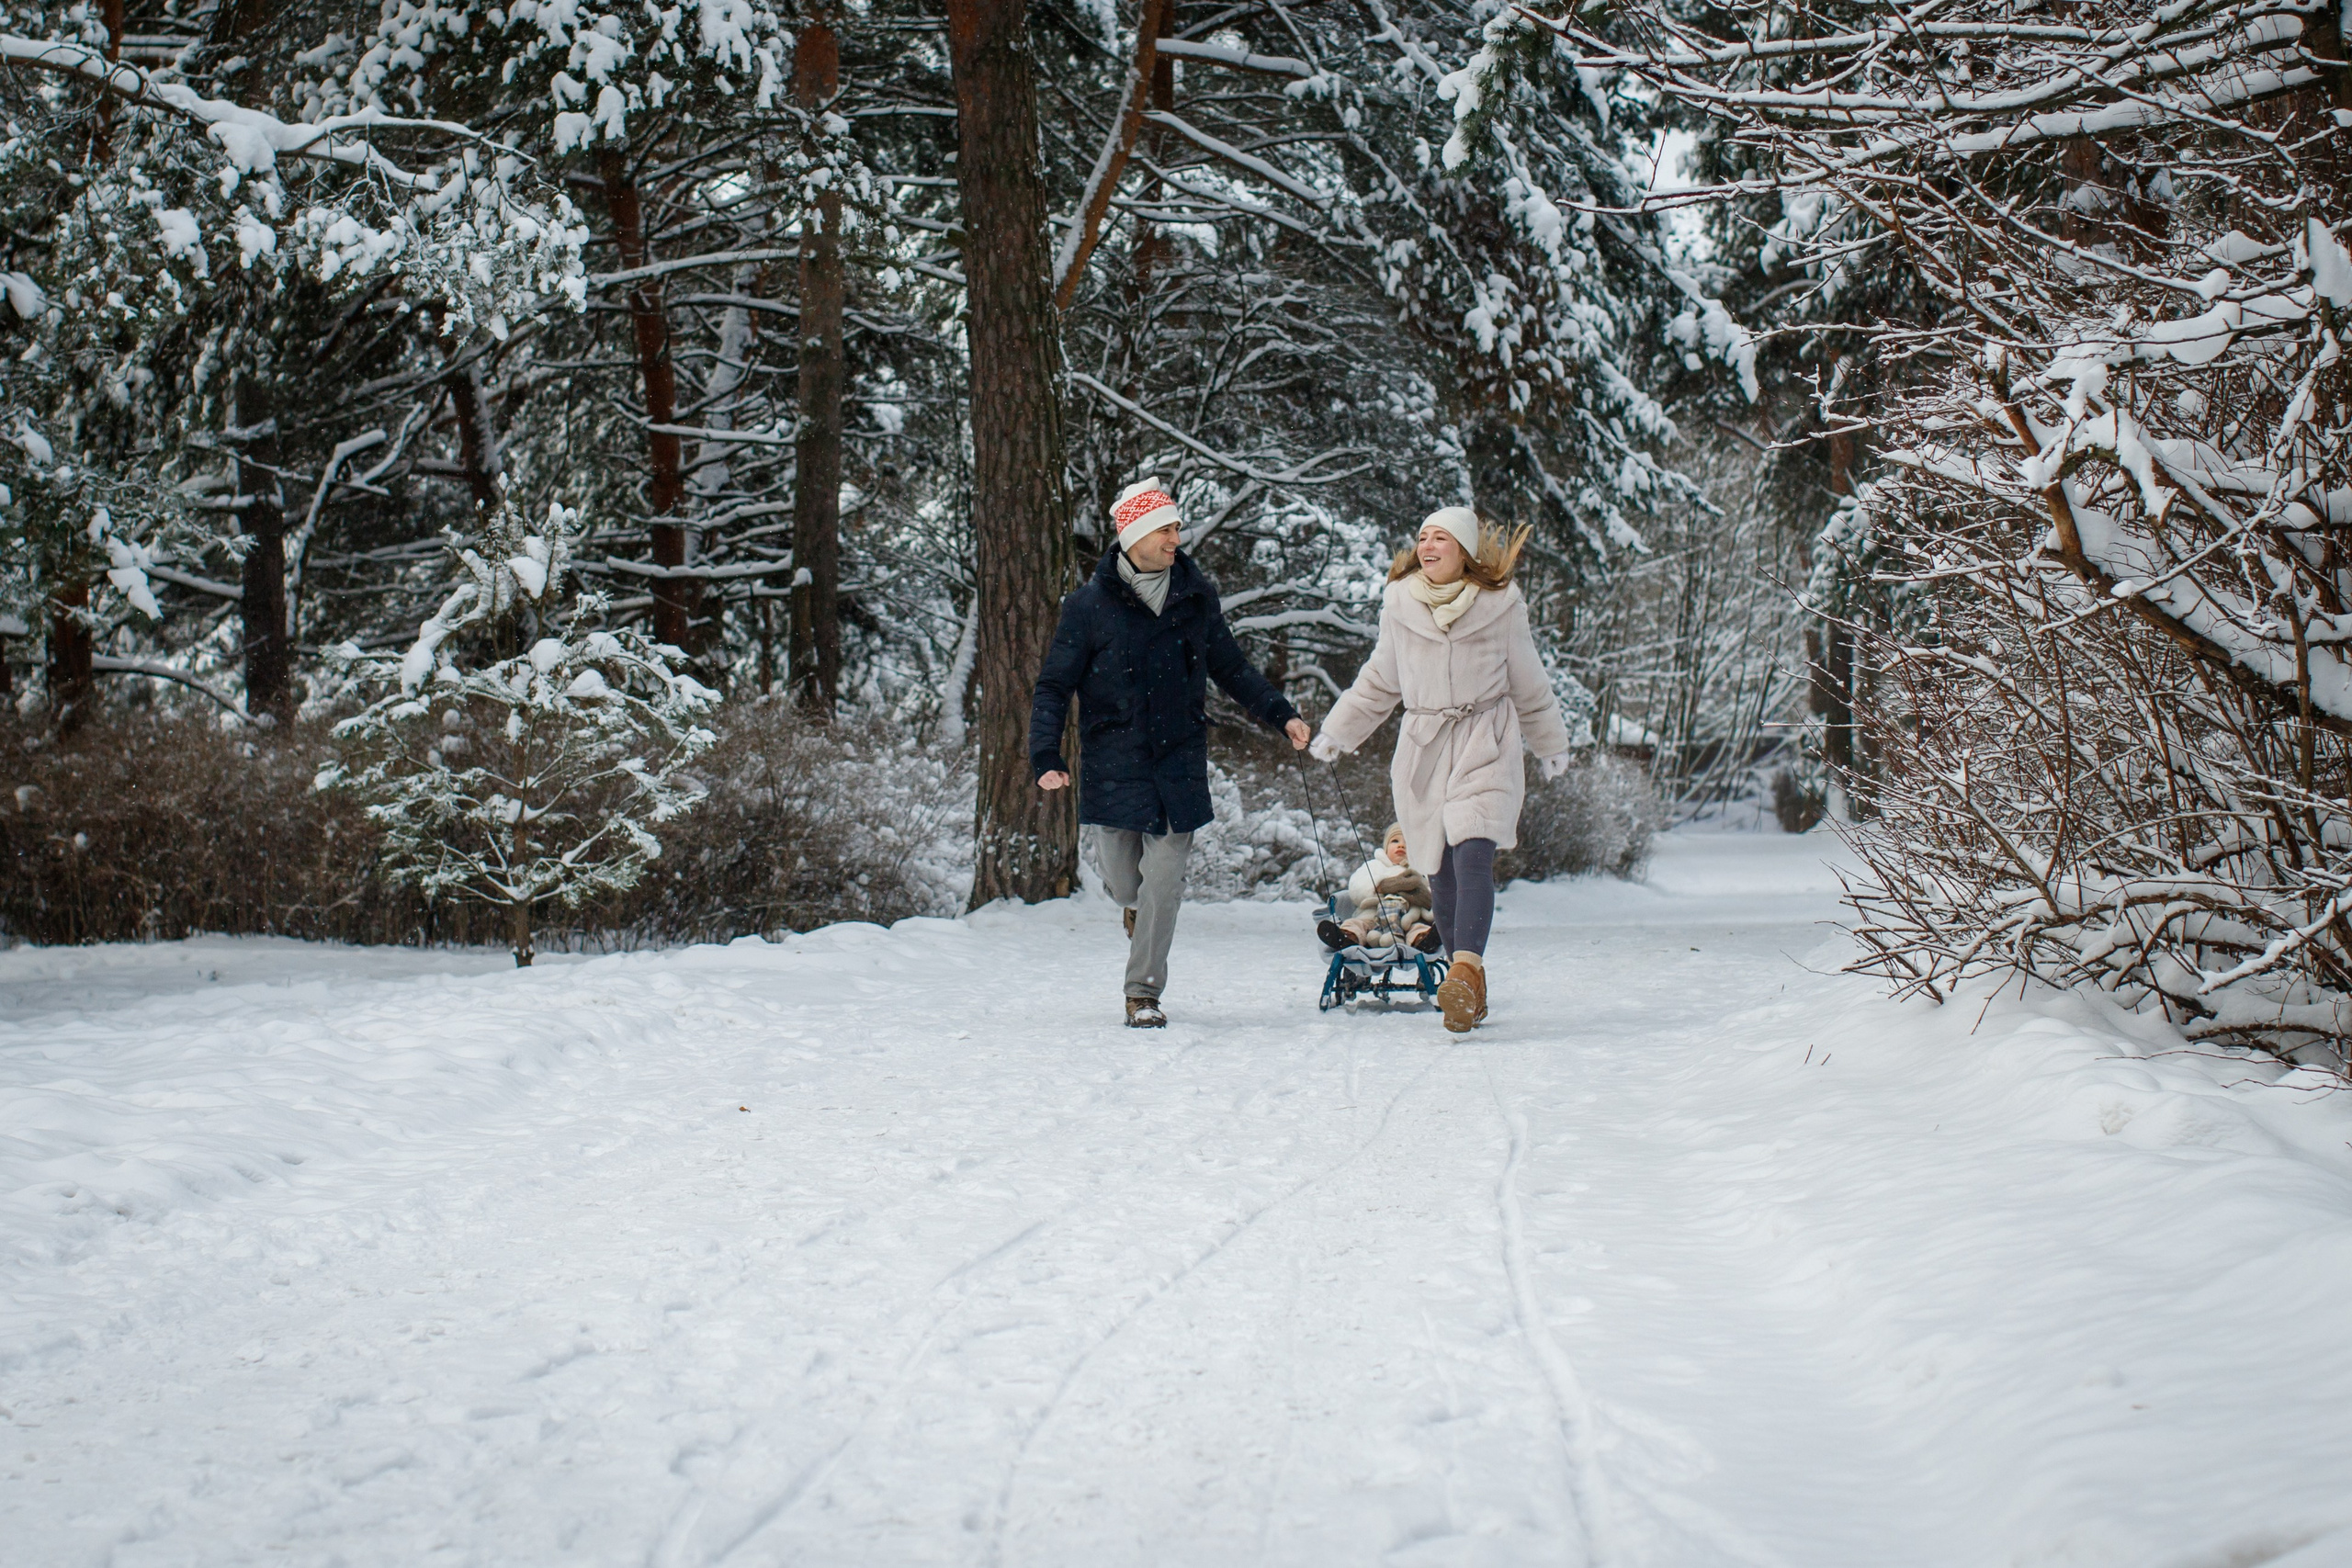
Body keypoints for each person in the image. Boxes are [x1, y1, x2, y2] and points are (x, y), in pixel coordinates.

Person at [1032, 476, 1312, 1028]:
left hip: (1178, 759)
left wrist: (1282, 714)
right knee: (1123, 881)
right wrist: (1046, 756)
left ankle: (1143, 993)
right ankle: (1133, 910)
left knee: (1164, 881)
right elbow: (1053, 686)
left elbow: (1231, 668)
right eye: (1166, 528)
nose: (1175, 539)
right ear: (1134, 534)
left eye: (1177, 527)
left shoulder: (1194, 599)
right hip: (1114, 761)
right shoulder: (1088, 607)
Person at [1309, 506, 1573, 1032]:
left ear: (1466, 551)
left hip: (1485, 741)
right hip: (1424, 750)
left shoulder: (1501, 606)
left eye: (1441, 539)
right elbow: (1378, 681)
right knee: (1441, 873)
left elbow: (1529, 681)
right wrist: (1339, 732)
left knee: (1474, 854)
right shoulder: (1401, 606)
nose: (1427, 546)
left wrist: (1549, 741)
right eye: (1423, 537)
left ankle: (1465, 970)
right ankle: (1465, 987)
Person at [1319, 823, 1440, 953]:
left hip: (1408, 918)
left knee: (1417, 928)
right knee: (1358, 924)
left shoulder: (1419, 870)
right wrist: (1381, 886)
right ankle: (1347, 937)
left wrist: (1418, 893)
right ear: (1386, 846)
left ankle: (1423, 940)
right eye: (1395, 841)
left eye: (1408, 842)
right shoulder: (1374, 866)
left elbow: (1433, 894)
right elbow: (1356, 887)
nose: (1401, 845)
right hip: (1373, 916)